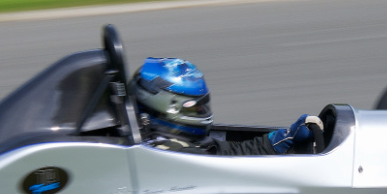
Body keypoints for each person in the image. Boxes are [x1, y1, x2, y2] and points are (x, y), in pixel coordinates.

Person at [131, 56, 320, 155]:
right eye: (195, 107)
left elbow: (226, 153)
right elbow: (230, 167)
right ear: (169, 107)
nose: (201, 111)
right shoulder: (173, 155)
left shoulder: (178, 144)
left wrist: (280, 140)